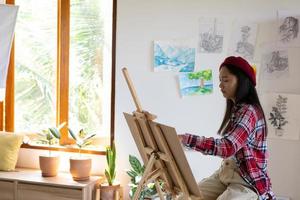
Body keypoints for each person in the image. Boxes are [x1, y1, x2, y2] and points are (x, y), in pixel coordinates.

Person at [179, 56, 275, 200]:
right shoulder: (238, 109)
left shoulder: (250, 112)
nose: (220, 85)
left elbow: (227, 147)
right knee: (187, 197)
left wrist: (186, 139)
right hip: (227, 171)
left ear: (241, 81)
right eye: (220, 81)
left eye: (226, 80)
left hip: (247, 179)